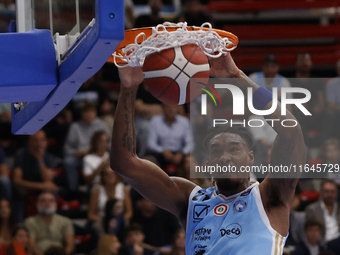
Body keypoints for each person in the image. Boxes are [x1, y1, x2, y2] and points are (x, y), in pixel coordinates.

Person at [111, 52, 305, 254]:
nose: (224, 157)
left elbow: (291, 131)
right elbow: (124, 164)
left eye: (234, 148)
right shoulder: (191, 200)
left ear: (250, 159)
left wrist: (236, 76)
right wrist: (128, 89)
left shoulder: (269, 197)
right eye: (216, 151)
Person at [12, 130, 60, 222]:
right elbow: (17, 181)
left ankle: (49, 219)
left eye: (42, 140)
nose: (39, 144)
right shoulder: (21, 154)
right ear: (29, 141)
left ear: (46, 142)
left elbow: (47, 180)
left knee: (51, 191)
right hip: (24, 188)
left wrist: (40, 160)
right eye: (35, 140)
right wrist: (41, 186)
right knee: (19, 191)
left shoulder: (47, 157)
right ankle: (19, 222)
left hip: (39, 188)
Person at [63, 102, 110, 194]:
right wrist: (77, 152)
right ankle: (74, 190)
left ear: (96, 113)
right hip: (81, 155)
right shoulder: (75, 126)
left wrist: (101, 149)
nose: (89, 114)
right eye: (86, 111)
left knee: (117, 159)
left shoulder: (102, 125)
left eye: (91, 111)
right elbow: (67, 149)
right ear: (82, 114)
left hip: (99, 153)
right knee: (68, 162)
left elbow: (110, 142)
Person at [88, 163, 133, 236]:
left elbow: (129, 212)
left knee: (126, 224)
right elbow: (91, 214)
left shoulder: (124, 189)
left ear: (117, 175)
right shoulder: (96, 191)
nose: (110, 176)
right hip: (102, 220)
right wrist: (105, 221)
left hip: (120, 220)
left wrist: (119, 220)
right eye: (107, 174)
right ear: (103, 176)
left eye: (113, 174)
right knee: (97, 226)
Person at [146, 103, 191, 170]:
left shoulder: (184, 121)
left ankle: (194, 180)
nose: (171, 110)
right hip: (161, 154)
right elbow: (151, 143)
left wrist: (182, 153)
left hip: (179, 153)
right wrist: (162, 151)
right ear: (163, 108)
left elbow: (190, 143)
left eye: (174, 107)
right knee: (149, 161)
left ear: (177, 108)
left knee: (190, 160)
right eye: (168, 107)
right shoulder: (155, 121)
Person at [305, 179, 340, 244]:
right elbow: (310, 232)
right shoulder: (312, 209)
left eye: (332, 192)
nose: (330, 195)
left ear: (336, 193)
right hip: (322, 245)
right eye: (327, 191)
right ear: (321, 192)